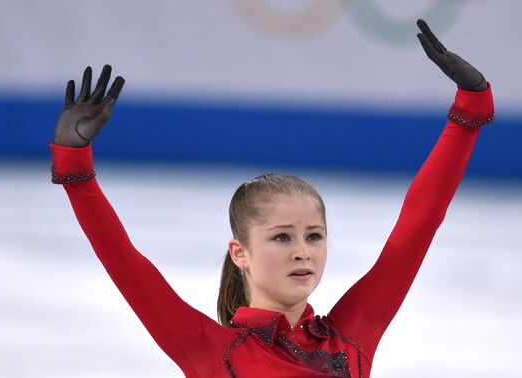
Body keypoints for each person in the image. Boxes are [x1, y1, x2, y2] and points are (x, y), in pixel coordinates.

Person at [50, 20, 494, 378]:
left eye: (314, 236)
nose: (303, 251)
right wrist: (76, 168)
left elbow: (417, 227)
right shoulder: (207, 350)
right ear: (240, 252)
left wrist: (469, 112)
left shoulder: (351, 336)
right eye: (283, 238)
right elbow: (126, 264)